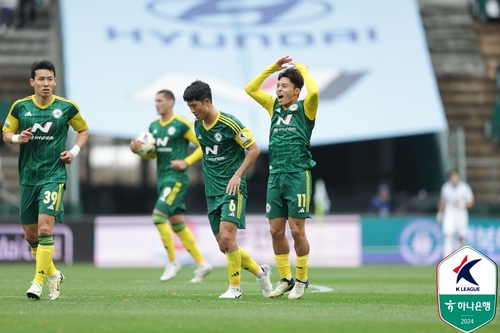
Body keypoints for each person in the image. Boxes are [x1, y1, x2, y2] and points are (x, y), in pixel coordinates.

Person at [2, 60, 89, 300]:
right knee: (30, 235)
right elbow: (6, 132)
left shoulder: (67, 107)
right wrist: (17, 138)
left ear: (55, 81)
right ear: (32, 82)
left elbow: (83, 131)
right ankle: (54, 274)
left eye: (50, 79)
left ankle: (38, 282)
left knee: (43, 229)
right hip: (28, 178)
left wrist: (73, 152)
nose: (46, 83)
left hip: (54, 175)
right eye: (41, 79)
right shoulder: (20, 107)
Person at [183, 80, 273, 298]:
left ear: (206, 101)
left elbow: (253, 149)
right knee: (224, 246)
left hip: (233, 188)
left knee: (227, 238)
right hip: (212, 192)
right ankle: (261, 273)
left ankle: (235, 288)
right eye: (189, 107)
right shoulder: (198, 126)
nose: (193, 111)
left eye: (195, 106)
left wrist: (237, 175)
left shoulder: (229, 123)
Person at [245, 55, 319, 300]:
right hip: (275, 176)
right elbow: (250, 88)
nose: (278, 89)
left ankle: (302, 280)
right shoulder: (272, 107)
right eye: (278, 86)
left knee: (297, 232)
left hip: (298, 174)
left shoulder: (306, 107)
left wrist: (303, 69)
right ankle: (286, 278)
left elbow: (315, 92)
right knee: (275, 230)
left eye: (284, 86)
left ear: (297, 91)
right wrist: (273, 69)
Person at [130, 90, 212, 283]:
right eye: (155, 101)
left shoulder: (181, 124)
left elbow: (202, 146)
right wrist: (138, 151)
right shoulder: (154, 126)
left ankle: (172, 261)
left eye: (160, 100)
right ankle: (202, 263)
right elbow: (153, 154)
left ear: (170, 102)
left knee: (158, 217)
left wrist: (186, 162)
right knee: (177, 224)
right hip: (162, 178)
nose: (156, 104)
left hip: (176, 178)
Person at [437, 169, 474, 257]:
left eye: (456, 176)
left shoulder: (464, 187)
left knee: (461, 237)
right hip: (449, 215)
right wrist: (440, 214)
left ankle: (463, 258)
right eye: (452, 176)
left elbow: (471, 203)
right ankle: (446, 259)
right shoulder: (445, 187)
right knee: (448, 236)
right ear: (449, 178)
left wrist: (462, 203)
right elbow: (443, 202)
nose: (454, 178)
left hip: (461, 215)